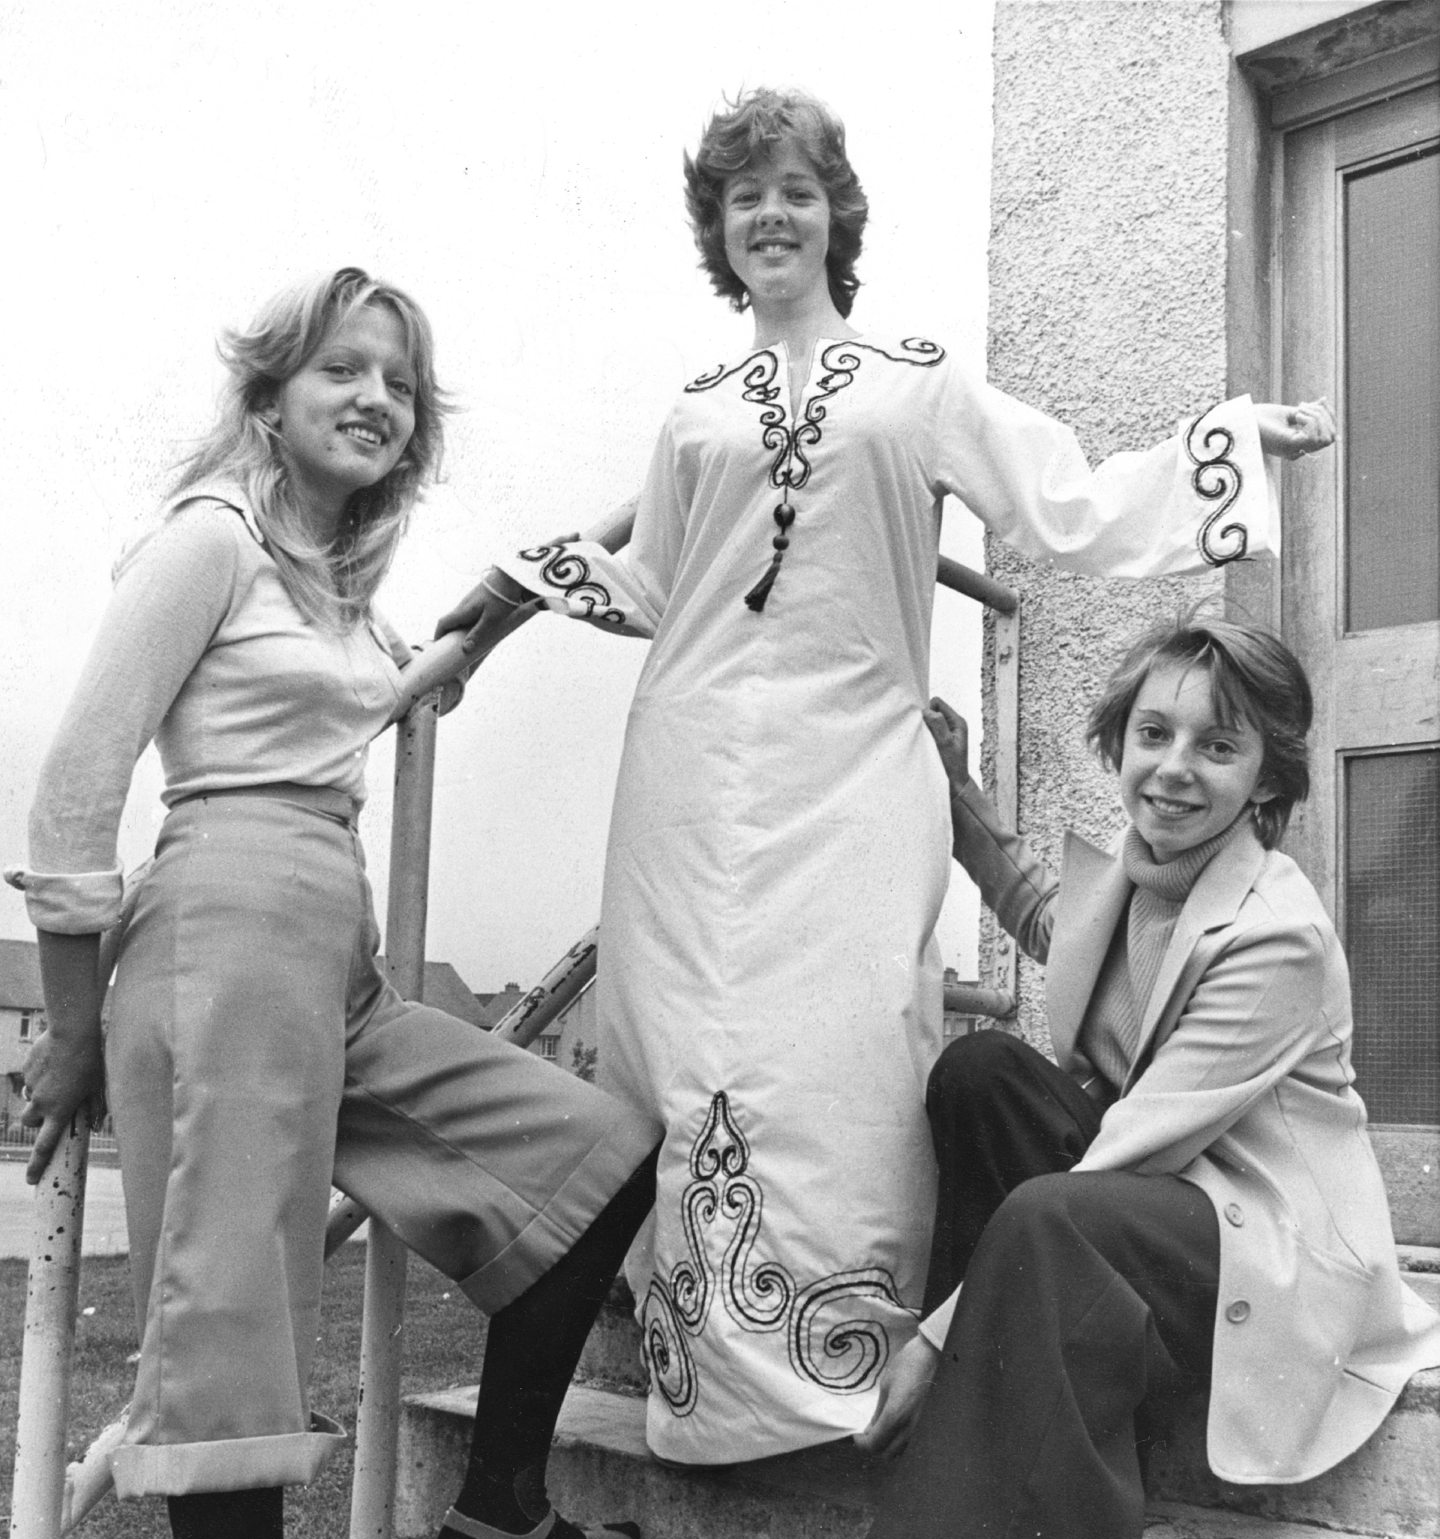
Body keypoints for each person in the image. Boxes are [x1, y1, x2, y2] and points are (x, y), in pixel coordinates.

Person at [437, 88, 1336, 1468]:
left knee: (839, 1050)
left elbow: (1065, 502)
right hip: (687, 768)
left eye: (797, 191)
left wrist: (1226, 450)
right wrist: (511, 587)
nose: (772, 216)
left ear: (836, 217)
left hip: (857, 766)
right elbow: (662, 579)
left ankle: (844, 1371)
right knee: (686, 1058)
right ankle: (718, 1399)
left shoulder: (916, 384)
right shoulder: (691, 413)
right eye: (746, 198)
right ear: (719, 232)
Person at [8, 268, 659, 1539]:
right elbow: (73, 798)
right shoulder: (209, 541)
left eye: (400, 382)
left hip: (342, 978)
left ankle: (500, 1511)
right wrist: (75, 1024)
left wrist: (524, 592)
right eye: (341, 369)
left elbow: (402, 676)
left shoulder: (332, 595)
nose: (373, 396)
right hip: (221, 950)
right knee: (231, 1349)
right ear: (270, 392)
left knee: (590, 1148)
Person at [832, 608, 1440, 1539]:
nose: (1174, 767)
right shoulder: (1137, 875)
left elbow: (1123, 1156)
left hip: (1267, 1247)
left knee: (1056, 1218)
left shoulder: (1277, 935)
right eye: (1153, 732)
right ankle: (1000, 1408)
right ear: (1118, 739)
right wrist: (959, 806)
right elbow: (1049, 928)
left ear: (1269, 774)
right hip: (1167, 1210)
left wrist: (936, 1332)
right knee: (985, 1074)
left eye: (1219, 748)